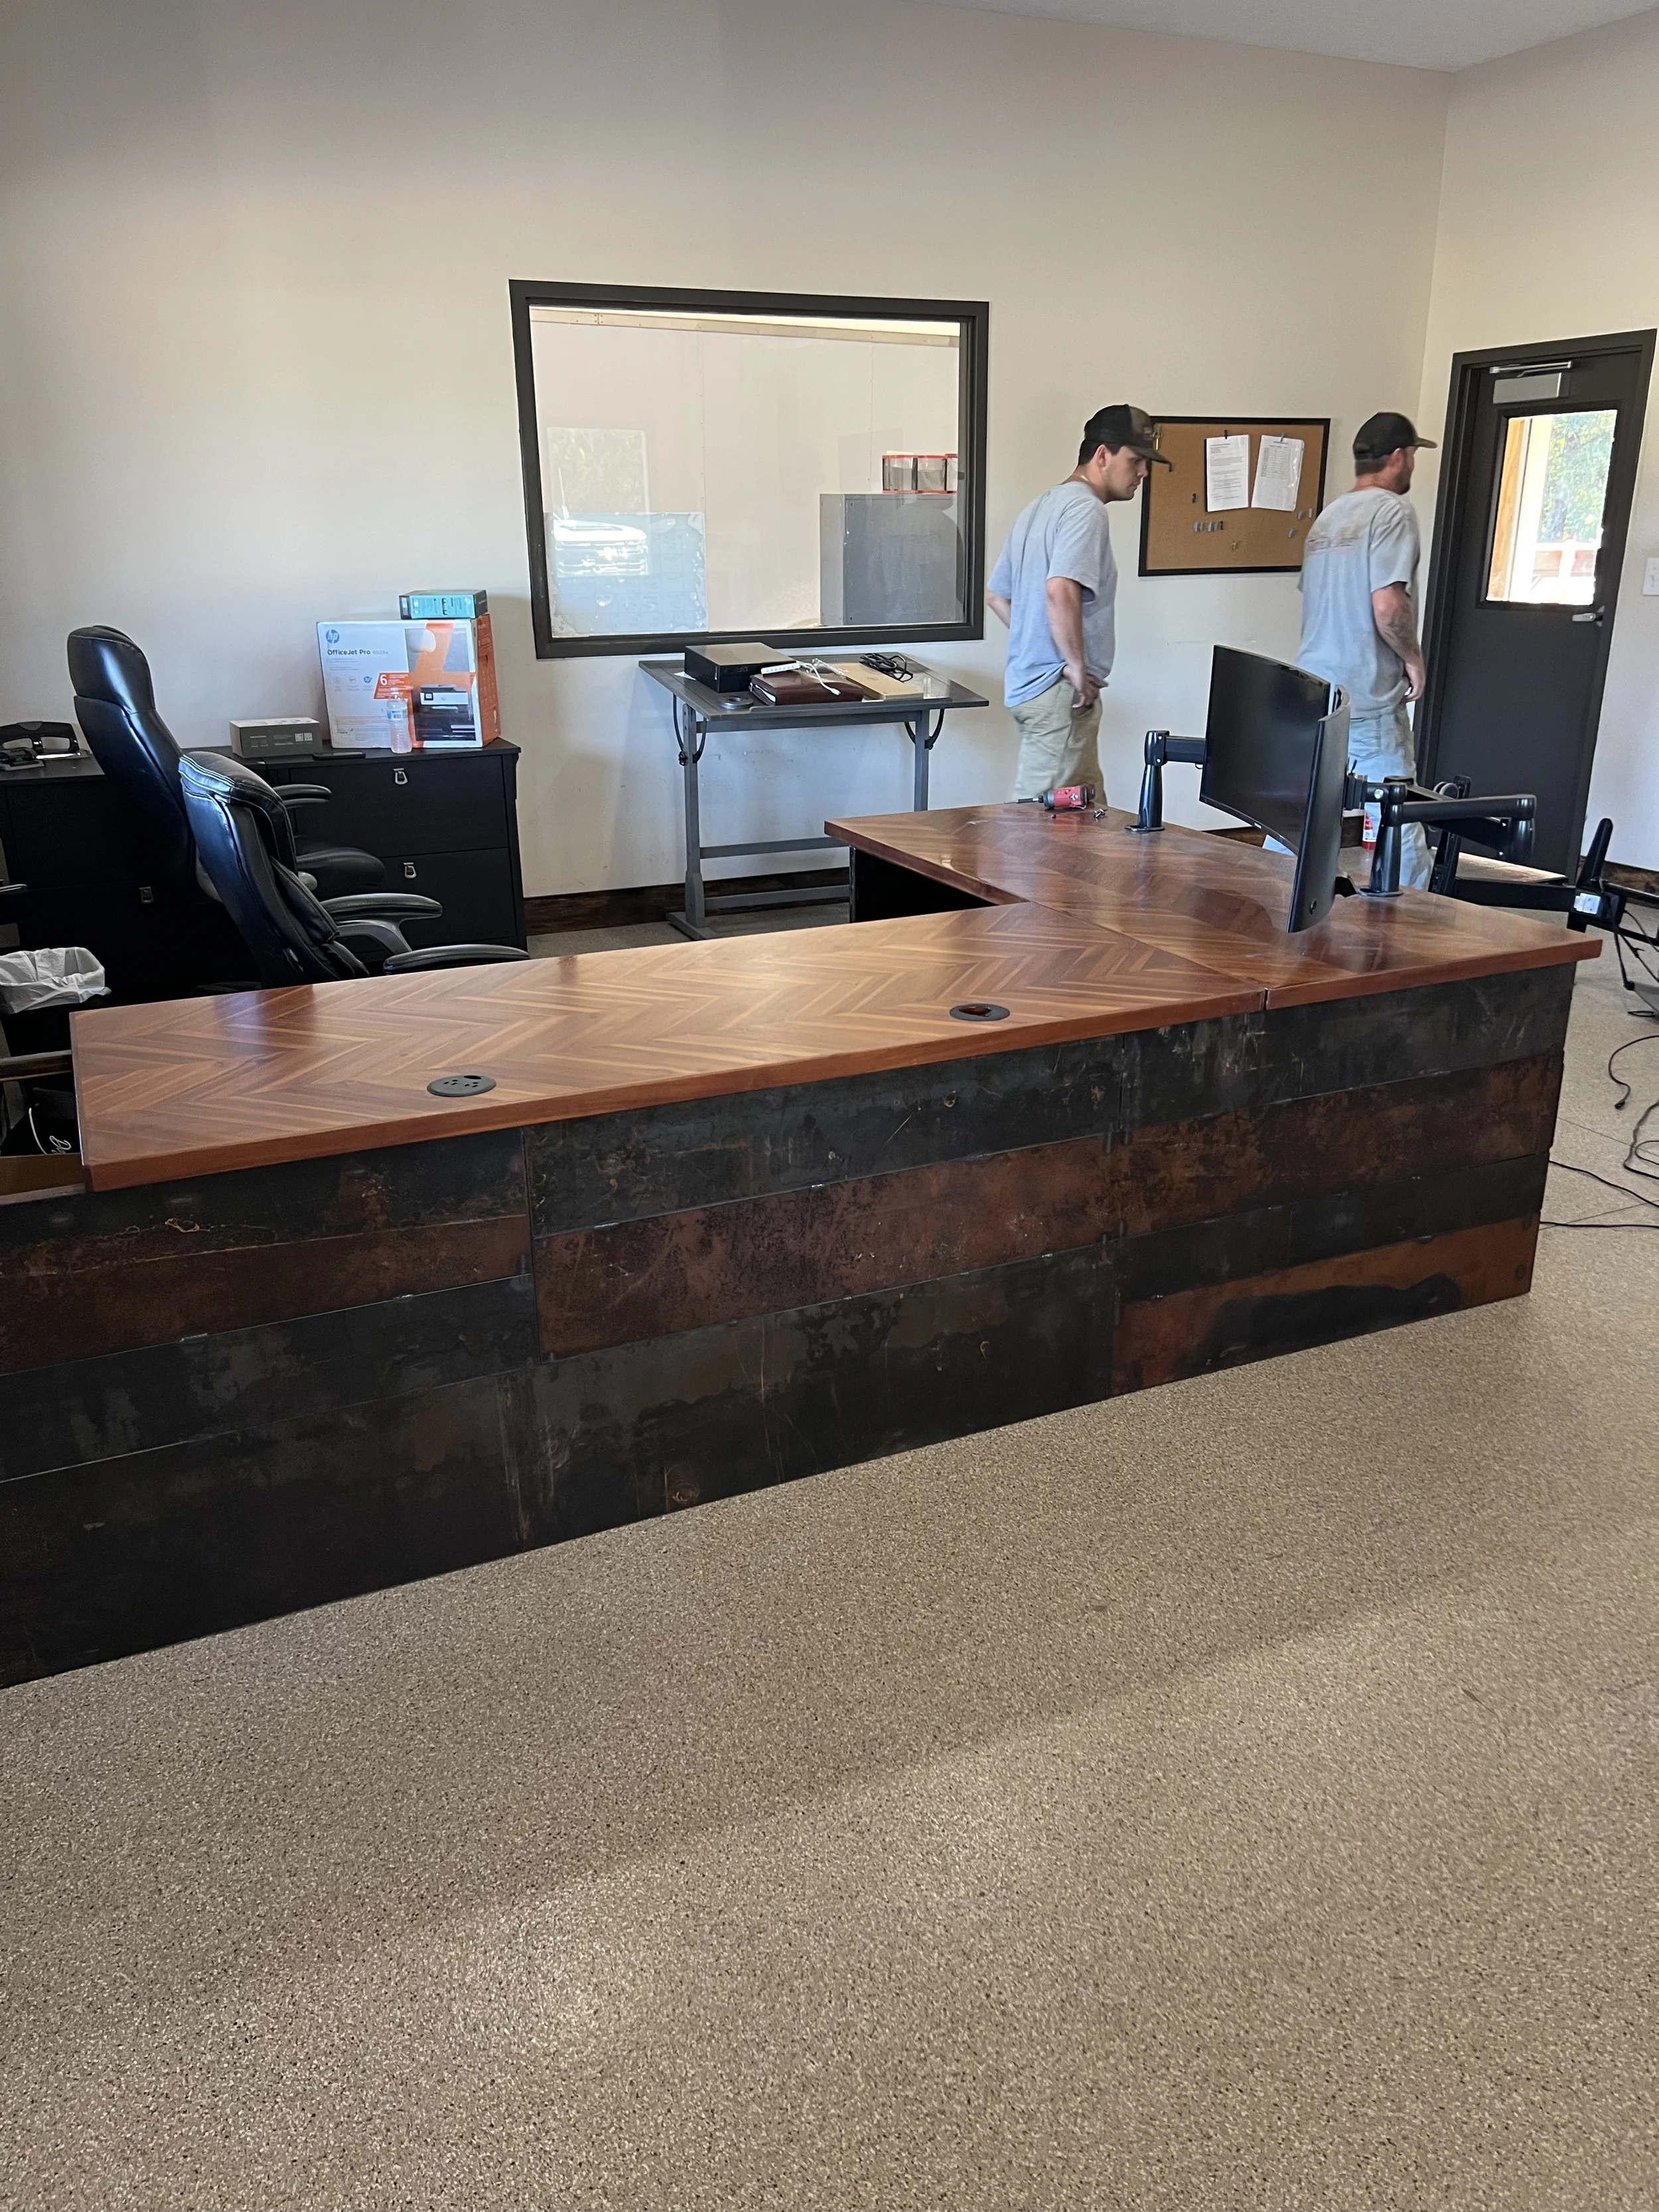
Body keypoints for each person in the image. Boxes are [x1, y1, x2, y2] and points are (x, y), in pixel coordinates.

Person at [986, 404, 1170, 802]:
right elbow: (1060, 589)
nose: (1143, 472)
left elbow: (996, 596)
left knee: (1086, 811)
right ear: (1102, 455)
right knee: (1037, 818)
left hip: (1039, 689)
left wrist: (1038, 641)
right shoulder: (1086, 509)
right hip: (1058, 693)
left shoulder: (1042, 505)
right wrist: (1072, 665)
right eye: (1135, 460)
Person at [1297, 410, 1437, 888]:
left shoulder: (1328, 518)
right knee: (1398, 819)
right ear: (1398, 457)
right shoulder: (1392, 512)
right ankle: (1414, 920)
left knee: (1302, 814)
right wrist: (1413, 658)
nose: (1412, 465)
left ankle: (1273, 904)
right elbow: (1388, 605)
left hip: (1314, 690)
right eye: (1412, 456)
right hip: (1368, 696)